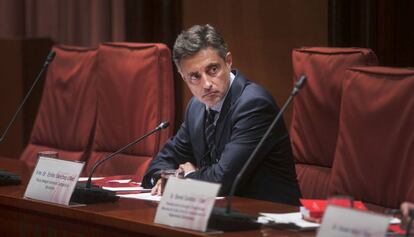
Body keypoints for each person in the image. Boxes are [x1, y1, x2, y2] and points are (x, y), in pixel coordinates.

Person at [142, 24, 301, 206]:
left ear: (228, 61)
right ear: (183, 77)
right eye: (195, 76)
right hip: (223, 217)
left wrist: (184, 177)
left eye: (213, 70)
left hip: (272, 221)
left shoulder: (254, 104)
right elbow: (159, 164)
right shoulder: (196, 107)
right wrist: (163, 179)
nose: (207, 83)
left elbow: (223, 178)